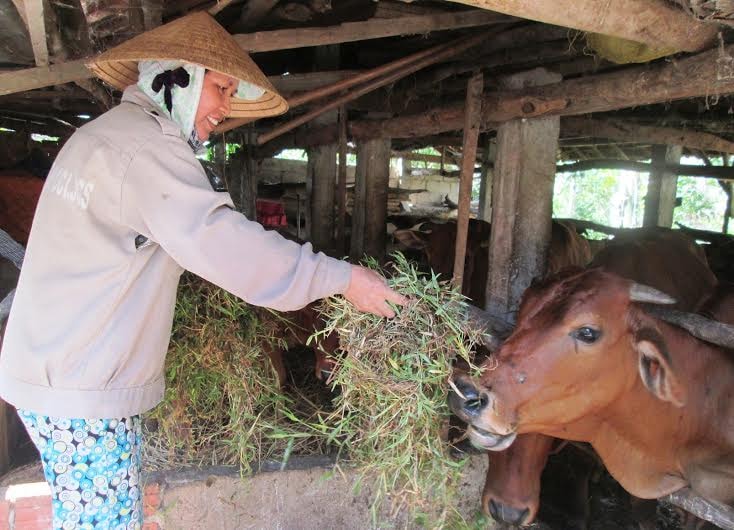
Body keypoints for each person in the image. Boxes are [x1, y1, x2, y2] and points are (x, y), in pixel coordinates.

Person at [0, 12, 405, 530]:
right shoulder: (146, 146)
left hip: (59, 371)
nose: (223, 109)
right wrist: (345, 279)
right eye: (220, 88)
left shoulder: (110, 135)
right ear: (178, 78)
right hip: (80, 388)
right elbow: (226, 245)